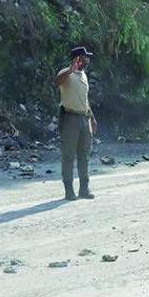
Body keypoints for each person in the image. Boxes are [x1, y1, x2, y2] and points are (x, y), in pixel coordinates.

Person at [54, 46, 97, 200]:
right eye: (86, 57)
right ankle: (69, 190)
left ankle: (84, 189)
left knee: (84, 156)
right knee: (69, 156)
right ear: (77, 58)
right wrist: (69, 70)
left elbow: (84, 99)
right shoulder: (66, 73)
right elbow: (56, 82)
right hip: (70, 119)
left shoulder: (83, 75)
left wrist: (92, 118)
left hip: (84, 118)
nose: (88, 60)